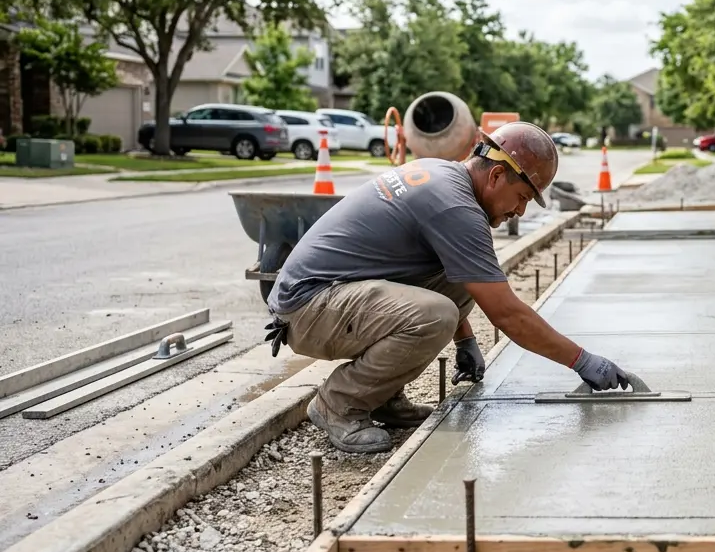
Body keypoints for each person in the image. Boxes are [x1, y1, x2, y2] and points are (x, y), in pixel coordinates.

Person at [262, 121, 637, 453]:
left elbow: (451, 278)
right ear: (495, 177)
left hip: (329, 294)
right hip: (308, 307)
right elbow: (507, 314)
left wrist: (465, 340)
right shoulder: (455, 209)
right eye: (522, 197)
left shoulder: (442, 174)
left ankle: (382, 396)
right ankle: (338, 402)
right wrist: (582, 361)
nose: (519, 212)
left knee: (465, 280)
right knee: (435, 315)